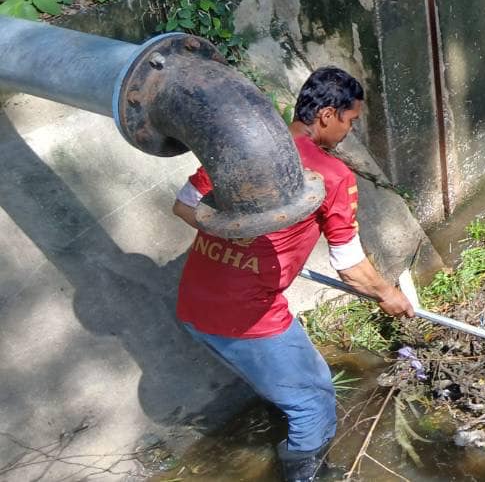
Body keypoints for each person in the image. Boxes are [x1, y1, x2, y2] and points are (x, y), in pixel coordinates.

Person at [172, 68, 413, 482]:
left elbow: (183, 205)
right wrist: (388, 294)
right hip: (247, 318)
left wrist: (238, 237)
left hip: (193, 305)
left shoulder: (240, 150)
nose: (347, 133)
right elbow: (351, 266)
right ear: (326, 115)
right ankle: (307, 476)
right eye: (349, 122)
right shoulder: (331, 177)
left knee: (288, 385)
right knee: (315, 400)